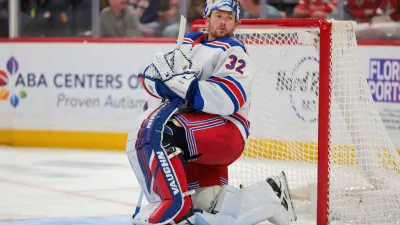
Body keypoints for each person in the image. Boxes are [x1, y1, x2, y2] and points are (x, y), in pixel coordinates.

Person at [125, 0, 297, 224]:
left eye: (229, 18)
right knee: (209, 208)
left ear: (236, 23)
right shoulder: (188, 44)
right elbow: (151, 77)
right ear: (207, 18)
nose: (223, 22)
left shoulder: (234, 52)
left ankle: (175, 209)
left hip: (224, 132)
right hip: (197, 131)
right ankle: (270, 193)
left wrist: (184, 86)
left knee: (158, 133)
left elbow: (228, 98)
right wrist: (162, 84)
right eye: (219, 16)